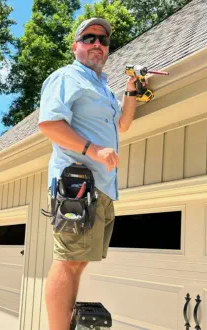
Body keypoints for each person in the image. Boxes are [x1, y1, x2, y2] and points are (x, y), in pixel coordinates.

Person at [38, 17, 143, 330]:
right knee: (68, 261)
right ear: (76, 46)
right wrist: (94, 150)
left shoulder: (104, 89)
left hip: (103, 188)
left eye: (103, 40)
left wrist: (131, 90)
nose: (98, 43)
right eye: (89, 37)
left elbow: (122, 124)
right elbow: (49, 124)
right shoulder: (66, 77)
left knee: (79, 261)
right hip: (76, 185)